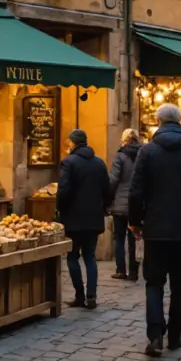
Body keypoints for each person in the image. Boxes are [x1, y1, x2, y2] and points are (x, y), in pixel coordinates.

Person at [129, 104, 181, 357]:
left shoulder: (147, 152)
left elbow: (136, 192)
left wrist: (134, 221)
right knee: (179, 284)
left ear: (158, 121)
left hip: (155, 228)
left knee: (154, 283)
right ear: (180, 121)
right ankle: (175, 335)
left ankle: (155, 336)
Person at [56, 130, 112, 310]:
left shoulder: (68, 163)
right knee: (90, 257)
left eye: (68, 142)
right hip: (94, 217)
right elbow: (108, 190)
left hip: (73, 218)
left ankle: (79, 295)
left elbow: (63, 190)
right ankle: (91, 296)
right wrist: (103, 208)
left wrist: (60, 209)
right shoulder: (99, 163)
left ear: (73, 143)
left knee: (72, 256)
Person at [109, 128, 142, 281]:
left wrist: (109, 198)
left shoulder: (120, 156)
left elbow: (114, 180)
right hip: (137, 203)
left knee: (119, 238)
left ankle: (121, 269)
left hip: (120, 204)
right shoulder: (143, 155)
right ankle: (134, 271)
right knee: (134, 237)